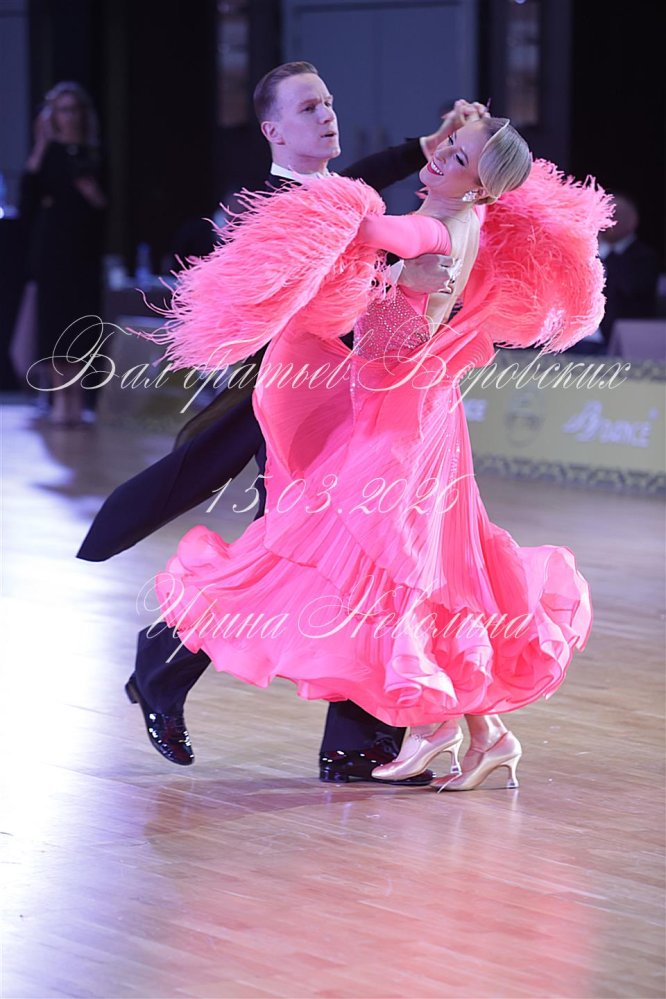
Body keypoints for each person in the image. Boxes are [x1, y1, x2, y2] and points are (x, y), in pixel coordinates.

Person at [149, 113, 610, 791]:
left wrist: (318, 206)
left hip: (401, 418)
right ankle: (482, 733)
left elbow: (369, 231)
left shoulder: (438, 230)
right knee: (424, 567)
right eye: (448, 147)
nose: (441, 159)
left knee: (381, 559)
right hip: (399, 402)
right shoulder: (458, 219)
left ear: (480, 188)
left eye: (459, 159)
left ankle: (437, 720)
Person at [78, 62, 468, 783]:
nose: (327, 114)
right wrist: (396, 275)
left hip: (352, 399)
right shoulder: (264, 206)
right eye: (308, 107)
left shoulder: (334, 192)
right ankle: (176, 663)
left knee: (356, 554)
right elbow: (310, 290)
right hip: (302, 407)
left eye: (329, 102)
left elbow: (360, 191)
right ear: (272, 129)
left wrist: (427, 148)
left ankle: (355, 739)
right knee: (309, 554)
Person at [20, 81, 106, 425]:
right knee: (53, 324)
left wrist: (91, 193)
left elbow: (104, 207)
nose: (68, 117)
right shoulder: (48, 153)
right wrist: (41, 143)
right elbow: (29, 197)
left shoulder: (94, 154)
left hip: (84, 252)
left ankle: (78, 401)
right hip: (52, 249)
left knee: (81, 324)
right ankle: (59, 399)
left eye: (73, 110)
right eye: (62, 110)